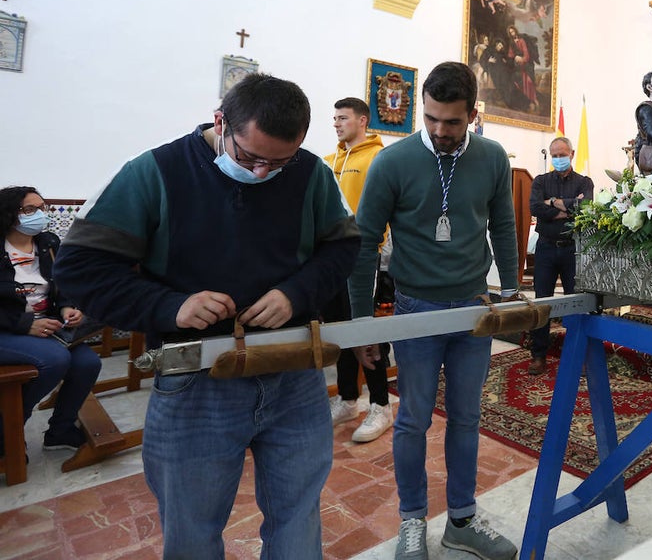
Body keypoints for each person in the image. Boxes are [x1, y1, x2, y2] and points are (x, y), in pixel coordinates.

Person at [53, 74, 360, 558]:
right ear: (221, 122)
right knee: (192, 531)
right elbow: (80, 268)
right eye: (250, 157)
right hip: (196, 379)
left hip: (293, 371)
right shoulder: (155, 171)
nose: (263, 173)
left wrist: (296, 293)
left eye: (280, 162)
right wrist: (170, 306)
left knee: (299, 517)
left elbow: (343, 247)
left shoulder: (309, 172)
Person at [348, 61, 520, 560]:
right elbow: (364, 243)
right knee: (412, 419)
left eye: (453, 122)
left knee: (466, 417)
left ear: (472, 114)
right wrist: (362, 325)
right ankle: (412, 521)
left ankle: (462, 520)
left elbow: (503, 226)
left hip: (472, 308)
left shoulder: (491, 158)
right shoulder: (392, 162)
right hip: (416, 308)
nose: (441, 131)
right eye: (431, 119)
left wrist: (510, 292)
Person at [0, 186, 102, 455]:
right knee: (55, 359)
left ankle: (60, 431)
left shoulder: (48, 243)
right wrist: (25, 325)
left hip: (46, 325)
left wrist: (67, 307)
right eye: (29, 210)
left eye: (41, 208)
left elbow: (62, 282)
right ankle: (6, 432)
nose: (39, 214)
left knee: (88, 363)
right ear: (9, 213)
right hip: (8, 329)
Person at [324, 97, 394, 443]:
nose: (336, 124)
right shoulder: (328, 161)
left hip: (366, 257)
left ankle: (381, 404)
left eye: (343, 118)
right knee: (341, 332)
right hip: (332, 259)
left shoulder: (379, 159)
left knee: (367, 332)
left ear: (363, 120)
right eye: (335, 118)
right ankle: (348, 398)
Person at [527, 137, 594, 376]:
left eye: (562, 154)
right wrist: (568, 207)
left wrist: (553, 203)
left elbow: (586, 208)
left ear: (572, 154)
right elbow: (535, 208)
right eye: (554, 155)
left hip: (571, 249)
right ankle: (538, 355)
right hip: (545, 248)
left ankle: (577, 354)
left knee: (575, 302)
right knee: (541, 302)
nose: (558, 159)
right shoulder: (540, 181)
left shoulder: (584, 182)